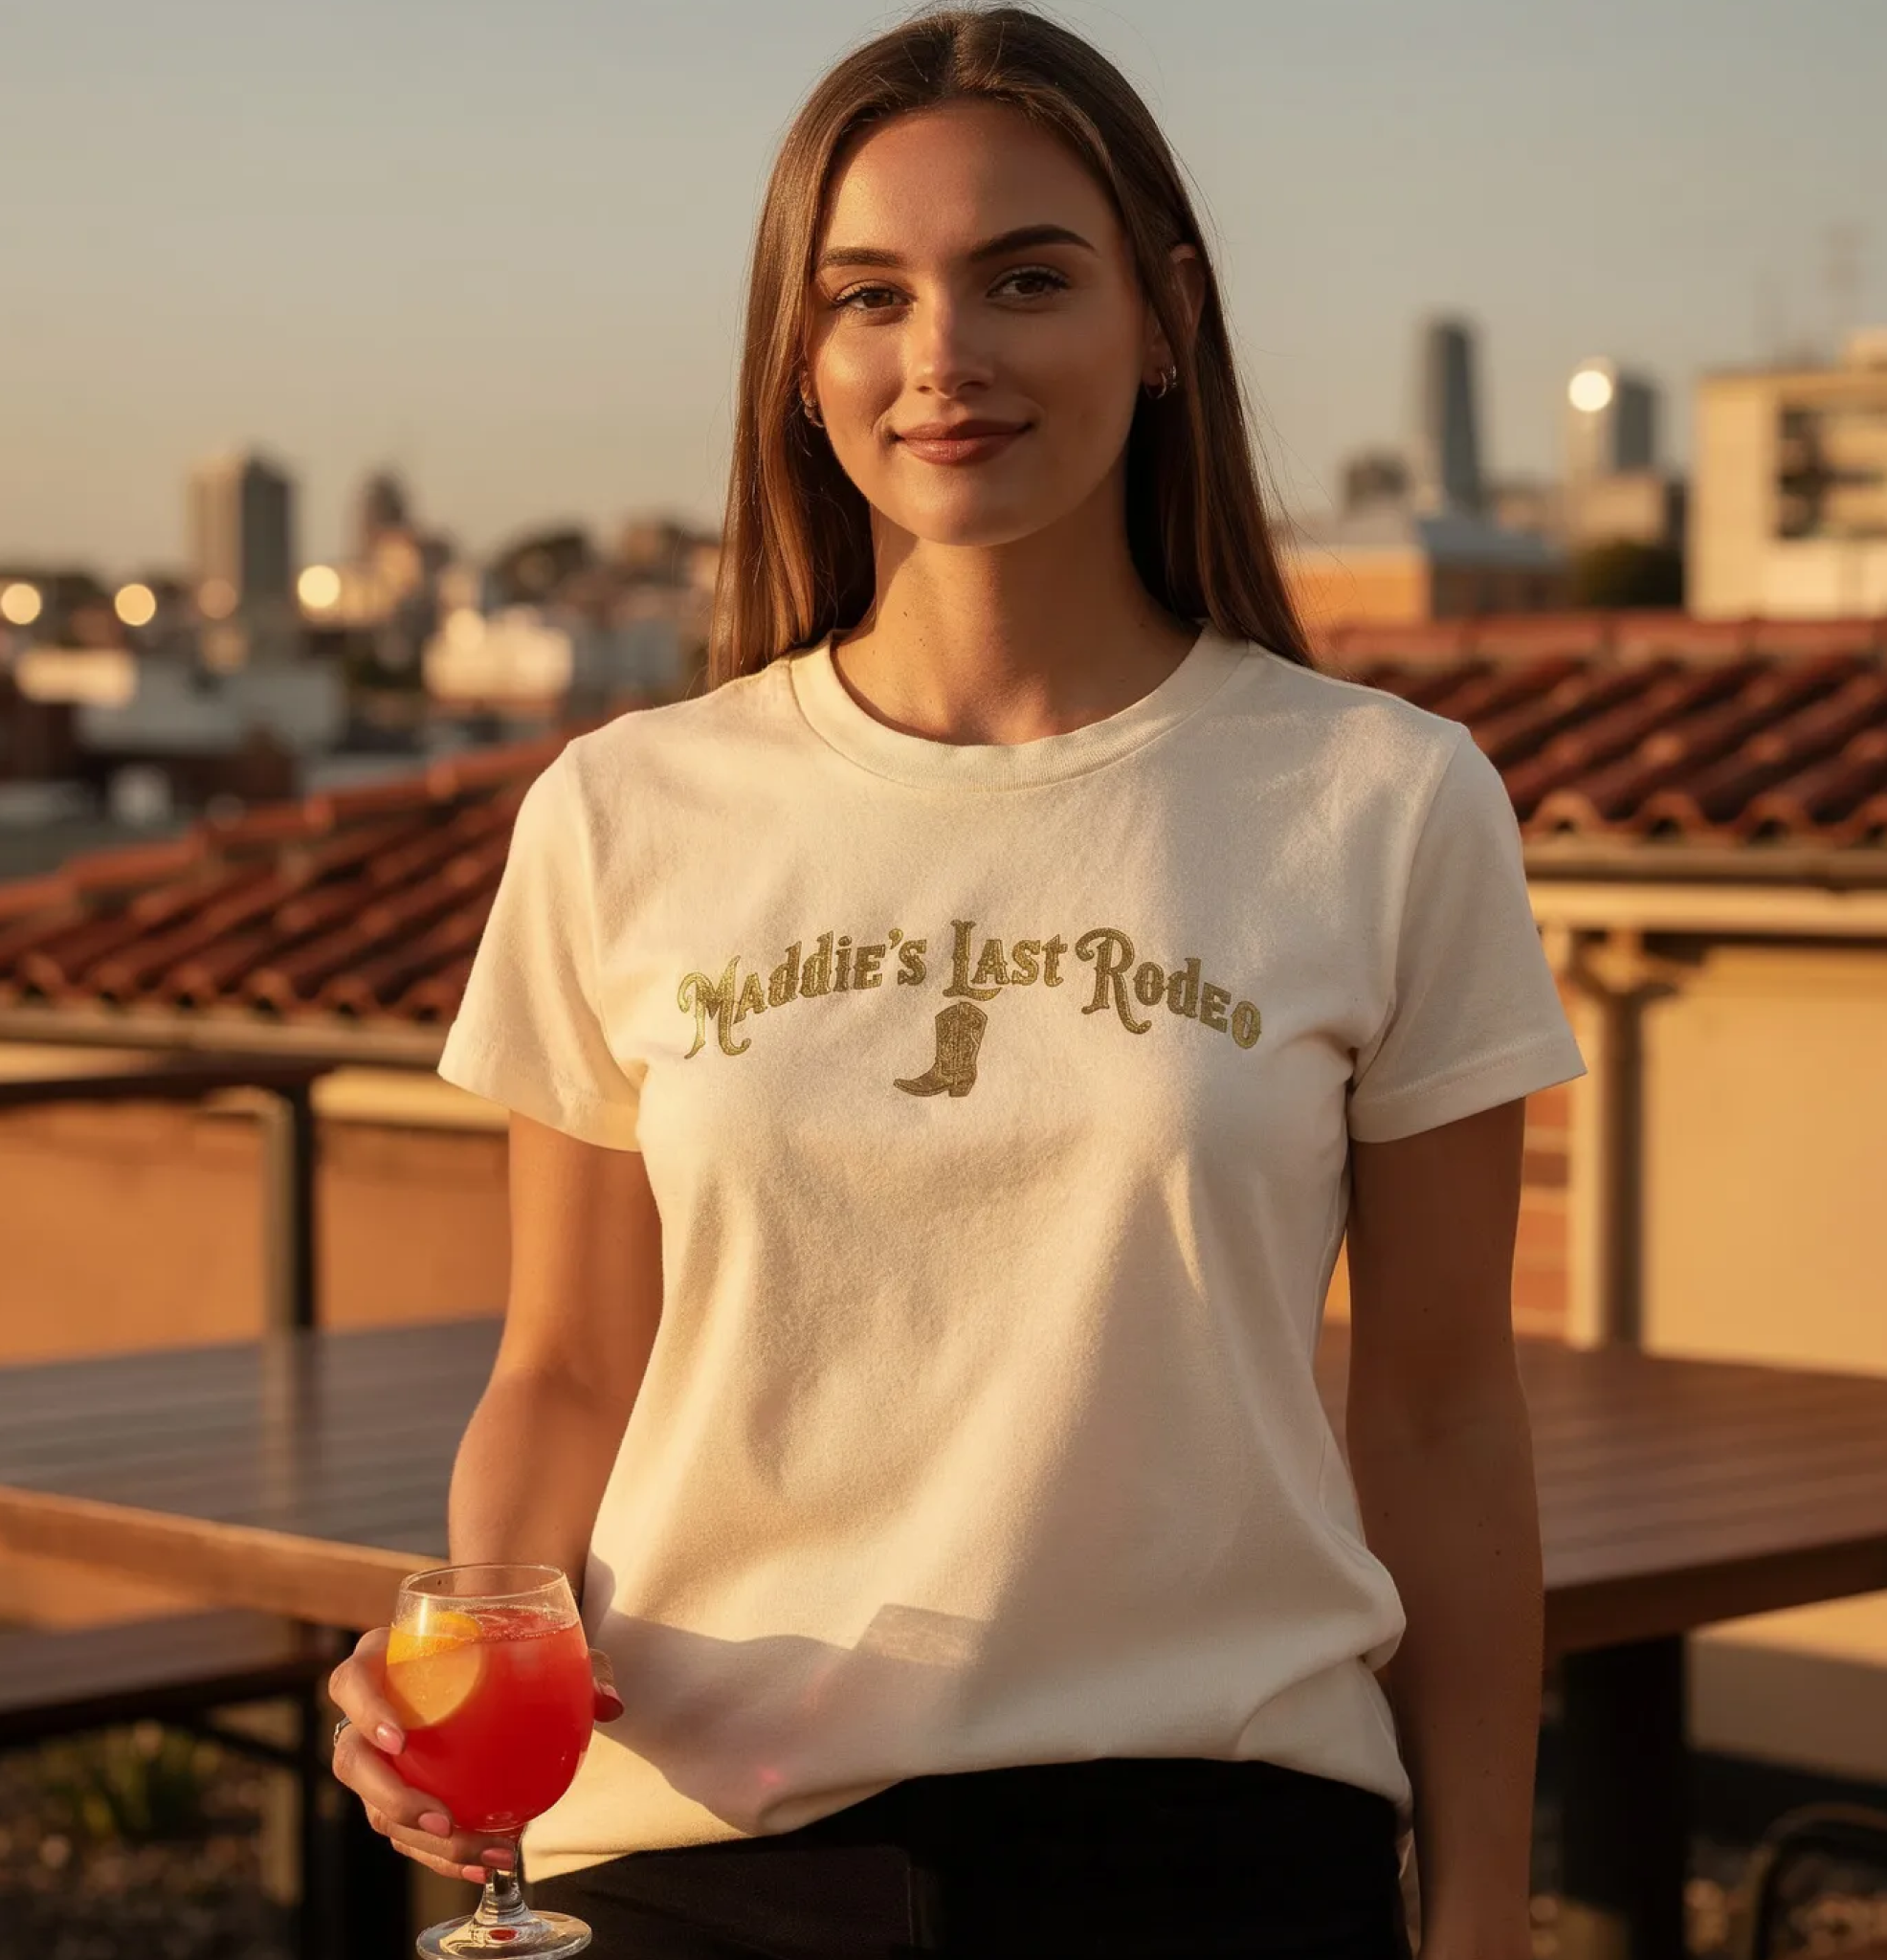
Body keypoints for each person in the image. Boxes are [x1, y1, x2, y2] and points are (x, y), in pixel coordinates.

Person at [329, 9, 1586, 1955]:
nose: (941, 358)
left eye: (1023, 278)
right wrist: (471, 1672)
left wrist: (1483, 1910)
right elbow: (567, 1365)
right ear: (798, 356)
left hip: (1211, 1850)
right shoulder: (622, 810)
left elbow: (1439, 1420)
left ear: (1164, 318)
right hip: (697, 1857)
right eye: (866, 296)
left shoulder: (1383, 804)